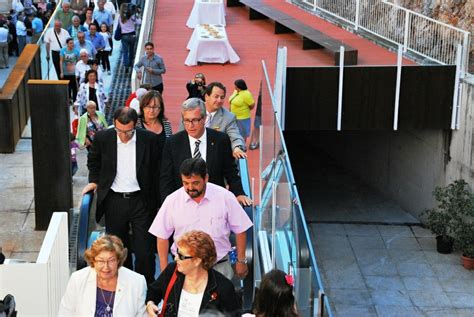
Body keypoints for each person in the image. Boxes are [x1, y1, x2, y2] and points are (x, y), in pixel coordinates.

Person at [83, 107, 160, 283]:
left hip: (141, 200)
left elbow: (157, 169)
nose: (124, 136)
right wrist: (94, 181)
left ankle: (145, 287)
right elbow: (93, 161)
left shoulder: (149, 140)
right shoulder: (103, 138)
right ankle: (124, 285)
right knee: (118, 249)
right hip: (114, 200)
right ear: (114, 125)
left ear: (136, 125)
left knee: (145, 251)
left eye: (129, 131)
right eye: (119, 131)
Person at [150, 158, 253, 280]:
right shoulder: (172, 201)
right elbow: (161, 236)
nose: (190, 188)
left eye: (195, 183)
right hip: (184, 269)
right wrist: (164, 271)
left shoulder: (225, 197)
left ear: (206, 178)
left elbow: (240, 229)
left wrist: (241, 261)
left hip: (219, 267)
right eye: (185, 183)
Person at [160, 97, 252, 206]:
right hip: (183, 205)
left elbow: (230, 172)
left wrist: (239, 193)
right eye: (186, 120)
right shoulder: (173, 142)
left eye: (195, 120)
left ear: (204, 119)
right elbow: (166, 178)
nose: (190, 125)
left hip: (214, 204)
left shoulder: (220, 140)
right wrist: (168, 204)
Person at [145, 230, 241, 317]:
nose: (175, 258)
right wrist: (150, 304)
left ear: (197, 261)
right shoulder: (172, 270)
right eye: (177, 253)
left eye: (181, 256)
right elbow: (154, 291)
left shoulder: (224, 287)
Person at [58, 235, 147, 316]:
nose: (106, 267)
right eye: (101, 261)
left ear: (118, 260)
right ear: (93, 261)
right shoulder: (77, 279)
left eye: (111, 260)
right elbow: (65, 313)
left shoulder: (137, 282)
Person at [202, 82, 247, 159]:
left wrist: (237, 148)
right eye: (216, 97)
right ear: (206, 96)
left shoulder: (228, 117)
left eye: (222, 97)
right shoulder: (193, 110)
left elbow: (235, 136)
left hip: (214, 159)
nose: (219, 100)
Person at [229, 79, 255, 143]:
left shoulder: (246, 94)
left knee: (242, 134)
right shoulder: (236, 91)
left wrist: (245, 110)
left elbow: (252, 105)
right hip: (234, 117)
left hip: (242, 118)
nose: (234, 87)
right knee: (234, 133)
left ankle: (242, 147)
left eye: (235, 86)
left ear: (239, 87)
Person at [118, 2, 141, 73]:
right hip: (132, 35)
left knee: (125, 51)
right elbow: (139, 22)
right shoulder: (132, 16)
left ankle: (126, 65)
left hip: (124, 35)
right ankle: (130, 63)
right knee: (131, 50)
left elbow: (119, 26)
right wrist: (138, 15)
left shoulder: (120, 17)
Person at [59, 37, 80, 102]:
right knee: (67, 87)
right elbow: (61, 61)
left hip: (74, 72)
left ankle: (74, 100)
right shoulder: (63, 50)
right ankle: (68, 99)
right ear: (67, 44)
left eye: (72, 43)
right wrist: (61, 72)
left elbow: (78, 61)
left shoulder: (76, 51)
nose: (72, 44)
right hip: (66, 72)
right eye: (70, 43)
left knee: (74, 87)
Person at [249, 82, 262, 150]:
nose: (259, 89)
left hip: (263, 111)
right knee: (256, 126)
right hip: (259, 112)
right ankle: (254, 141)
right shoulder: (260, 97)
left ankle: (256, 141)